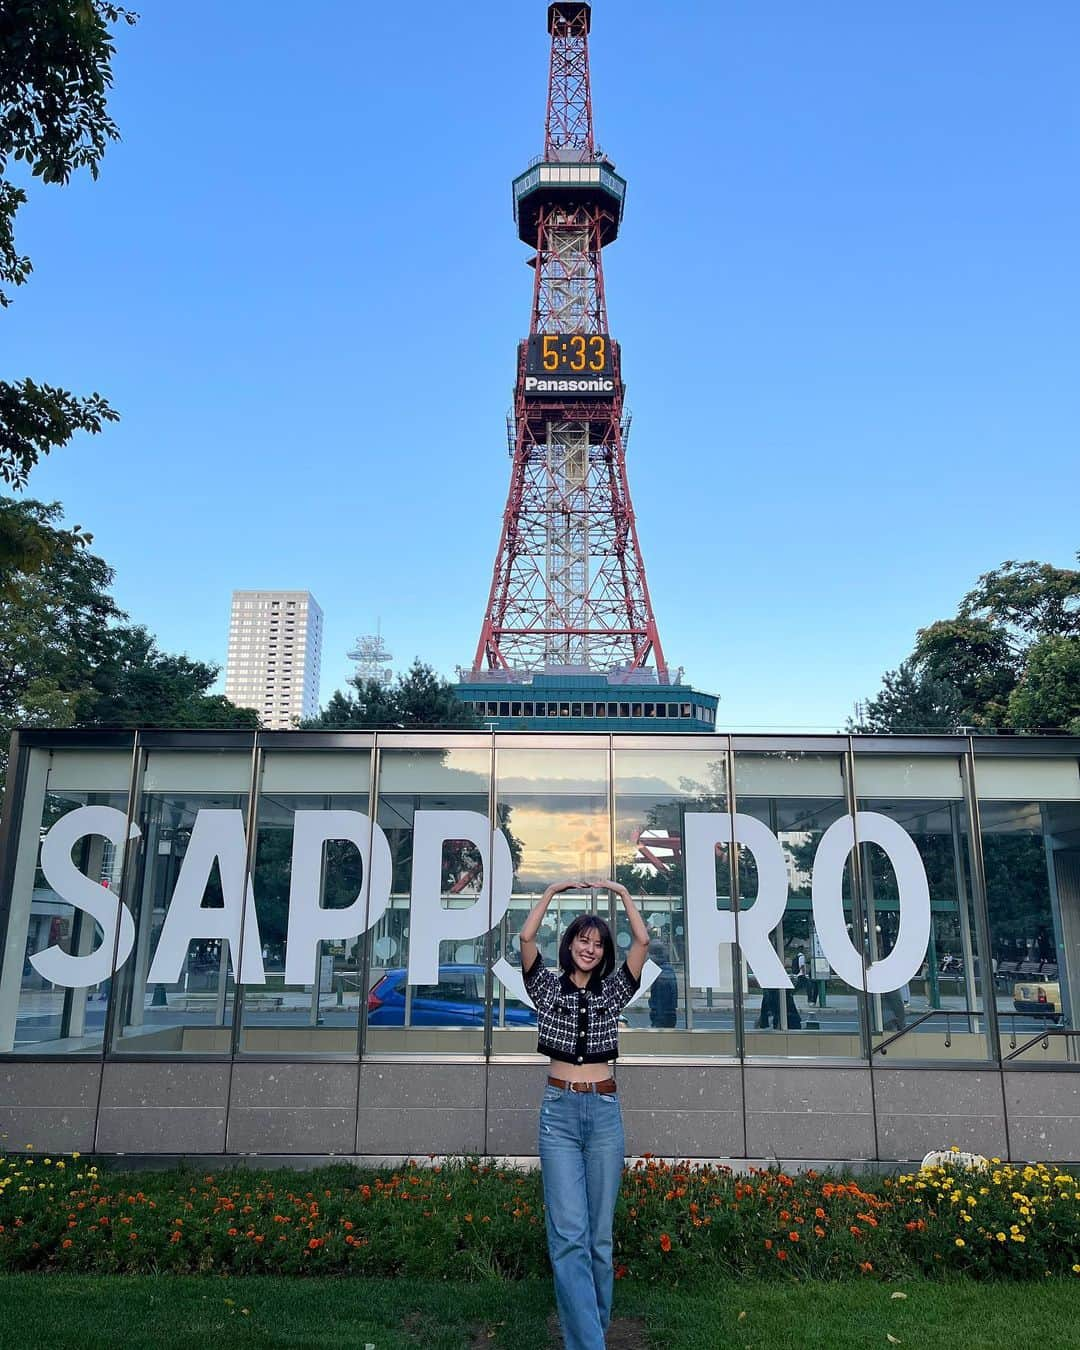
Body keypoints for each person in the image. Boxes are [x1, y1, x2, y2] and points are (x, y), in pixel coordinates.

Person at [520, 878, 649, 1350]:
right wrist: (552, 891)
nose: (590, 948)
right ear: (570, 944)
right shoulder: (546, 989)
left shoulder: (614, 993)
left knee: (598, 1239)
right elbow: (526, 939)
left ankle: (590, 1329)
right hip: (559, 1113)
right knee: (568, 1236)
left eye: (597, 943)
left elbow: (643, 941)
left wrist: (621, 892)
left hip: (604, 1112)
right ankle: (589, 1344)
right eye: (582, 939)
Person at [647, 944, 677, 1028]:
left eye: (649, 954)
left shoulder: (661, 973)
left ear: (653, 955)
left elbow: (661, 1001)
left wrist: (657, 1023)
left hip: (662, 1018)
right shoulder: (667, 968)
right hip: (669, 1015)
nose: (647, 957)